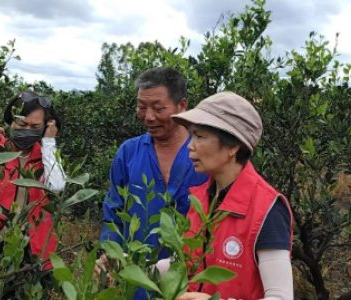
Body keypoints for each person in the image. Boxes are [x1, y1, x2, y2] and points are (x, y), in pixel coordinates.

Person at [170, 91, 294, 300]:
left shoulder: (266, 209)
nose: (190, 146)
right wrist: (128, 263)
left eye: (200, 136)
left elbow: (281, 297)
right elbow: (182, 262)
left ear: (233, 146)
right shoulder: (200, 199)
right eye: (191, 135)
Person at [96, 67, 208, 284]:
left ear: (182, 106)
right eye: (141, 107)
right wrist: (110, 254)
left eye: (158, 108)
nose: (148, 117)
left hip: (191, 279)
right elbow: (114, 212)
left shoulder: (205, 155)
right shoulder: (128, 153)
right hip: (135, 279)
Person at [0, 90, 66, 270]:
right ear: (11, 121)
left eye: (35, 126)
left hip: (30, 250)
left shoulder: (45, 157)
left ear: (45, 127)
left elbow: (58, 186)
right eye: (22, 123)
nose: (27, 130)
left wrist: (49, 144)